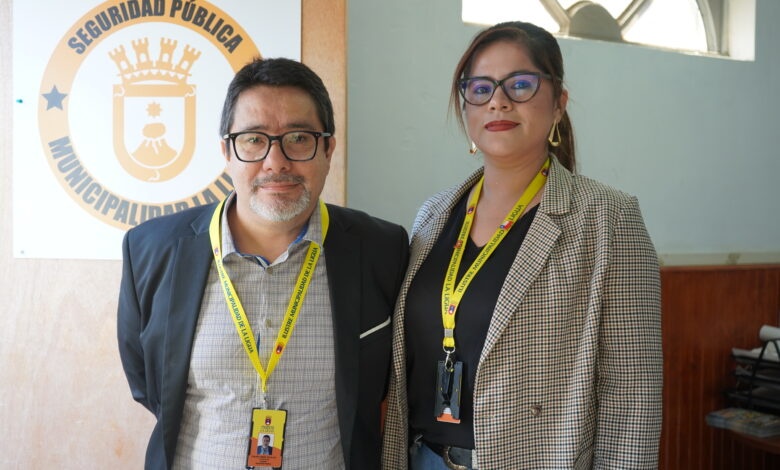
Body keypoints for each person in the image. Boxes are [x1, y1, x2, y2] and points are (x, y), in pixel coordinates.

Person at [382, 21, 662, 469]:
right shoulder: (433, 216)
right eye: (480, 88)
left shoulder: (608, 218)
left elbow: (632, 393)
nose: (498, 100)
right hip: (423, 457)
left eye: (520, 84)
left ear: (558, 103)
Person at [117, 57, 409, 470]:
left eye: (299, 138)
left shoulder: (381, 249)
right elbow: (149, 385)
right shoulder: (152, 249)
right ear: (226, 151)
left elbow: (385, 388)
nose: (276, 161)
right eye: (254, 139)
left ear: (328, 149)